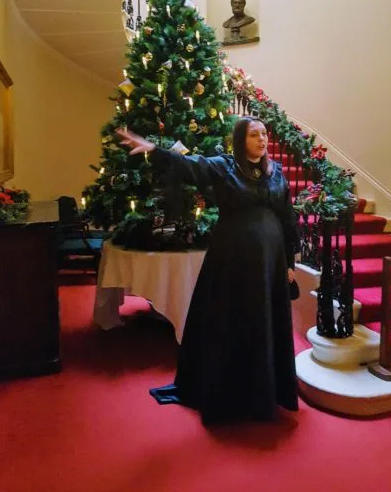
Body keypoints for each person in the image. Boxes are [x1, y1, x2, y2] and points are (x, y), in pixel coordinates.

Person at [116, 117, 299, 425]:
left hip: (270, 264)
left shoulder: (276, 173)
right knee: (233, 320)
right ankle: (231, 394)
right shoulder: (224, 167)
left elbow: (287, 218)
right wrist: (154, 150)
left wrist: (290, 263)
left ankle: (265, 392)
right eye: (254, 134)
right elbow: (191, 166)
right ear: (241, 139)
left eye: (265, 134)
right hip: (232, 263)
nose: (262, 139)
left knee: (264, 322)